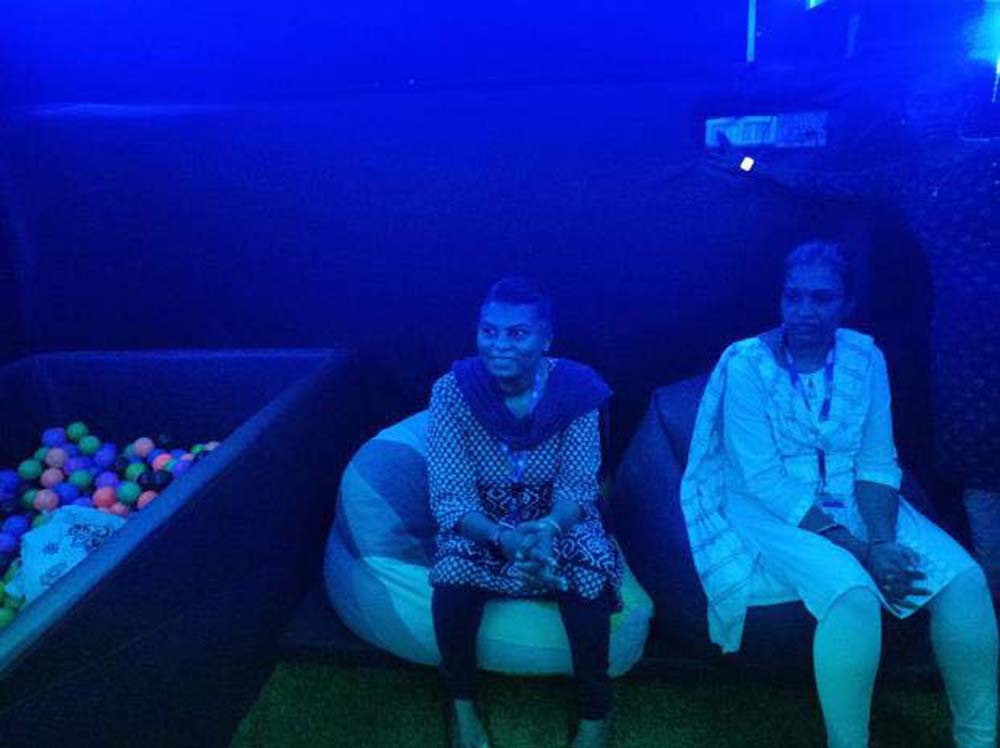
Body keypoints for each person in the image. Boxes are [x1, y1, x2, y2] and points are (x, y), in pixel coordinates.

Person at [680, 240, 998, 748]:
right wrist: (863, 552)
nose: (805, 311)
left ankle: (978, 739)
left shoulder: (864, 356)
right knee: (852, 595)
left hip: (853, 496)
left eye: (822, 298)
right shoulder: (745, 365)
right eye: (794, 296)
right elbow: (763, 480)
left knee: (965, 581)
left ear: (847, 303)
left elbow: (876, 461)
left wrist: (883, 540)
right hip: (769, 508)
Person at [706, 64, 1000, 597]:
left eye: (945, 99)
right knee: (979, 457)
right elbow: (821, 186)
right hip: (961, 332)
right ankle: (994, 590)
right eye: (922, 101)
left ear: (964, 104)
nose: (934, 112)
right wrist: (747, 163)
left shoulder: (992, 157)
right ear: (907, 113)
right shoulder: (905, 175)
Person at [428, 277, 621, 748]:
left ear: (545, 339)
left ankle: (595, 712)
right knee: (451, 574)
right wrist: (501, 537)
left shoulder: (577, 390)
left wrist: (548, 529)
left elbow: (579, 485)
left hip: (557, 517)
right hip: (484, 519)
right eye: (489, 331)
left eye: (517, 333)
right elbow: (451, 495)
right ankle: (462, 703)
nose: (499, 345)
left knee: (590, 572)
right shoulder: (452, 392)